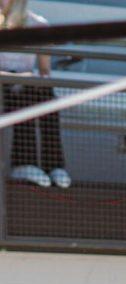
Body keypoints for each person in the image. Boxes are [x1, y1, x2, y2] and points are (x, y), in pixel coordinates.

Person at [1, 0, 71, 188]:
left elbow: (44, 71)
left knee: (45, 93)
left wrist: (36, 80)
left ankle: (54, 166)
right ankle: (23, 163)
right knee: (24, 90)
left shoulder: (38, 24)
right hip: (5, 85)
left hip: (26, 83)